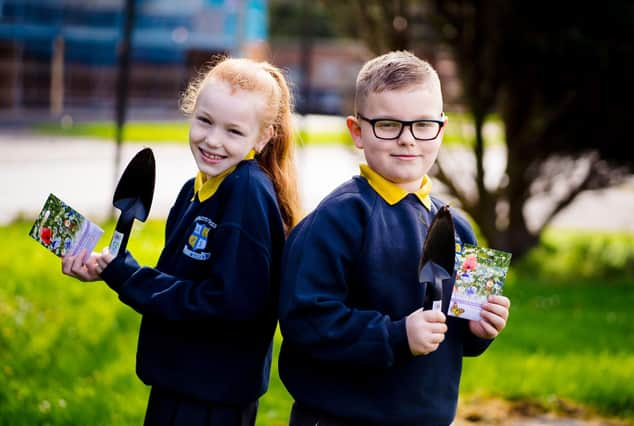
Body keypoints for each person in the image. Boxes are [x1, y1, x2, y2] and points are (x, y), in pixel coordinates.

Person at [62, 56, 301, 426]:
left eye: (233, 131)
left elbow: (227, 306)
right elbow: (180, 284)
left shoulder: (247, 194)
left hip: (211, 401)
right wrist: (111, 270)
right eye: (204, 121)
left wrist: (130, 277)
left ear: (264, 136)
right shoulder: (197, 188)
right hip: (181, 384)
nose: (213, 141)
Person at [278, 50, 511, 426]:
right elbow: (306, 323)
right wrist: (396, 336)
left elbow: (462, 341)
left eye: (422, 125)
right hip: (339, 417)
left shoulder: (460, 229)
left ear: (442, 128)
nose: (407, 140)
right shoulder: (337, 219)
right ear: (357, 130)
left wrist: (481, 329)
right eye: (388, 125)